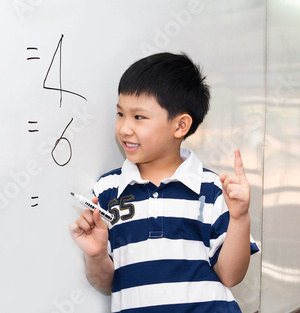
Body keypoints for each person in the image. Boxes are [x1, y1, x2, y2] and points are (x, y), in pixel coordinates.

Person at [69, 52, 259, 312]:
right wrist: (96, 254)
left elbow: (231, 276)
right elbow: (106, 282)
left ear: (180, 126)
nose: (124, 128)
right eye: (120, 114)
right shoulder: (107, 189)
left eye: (138, 117)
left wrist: (239, 219)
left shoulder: (212, 188)